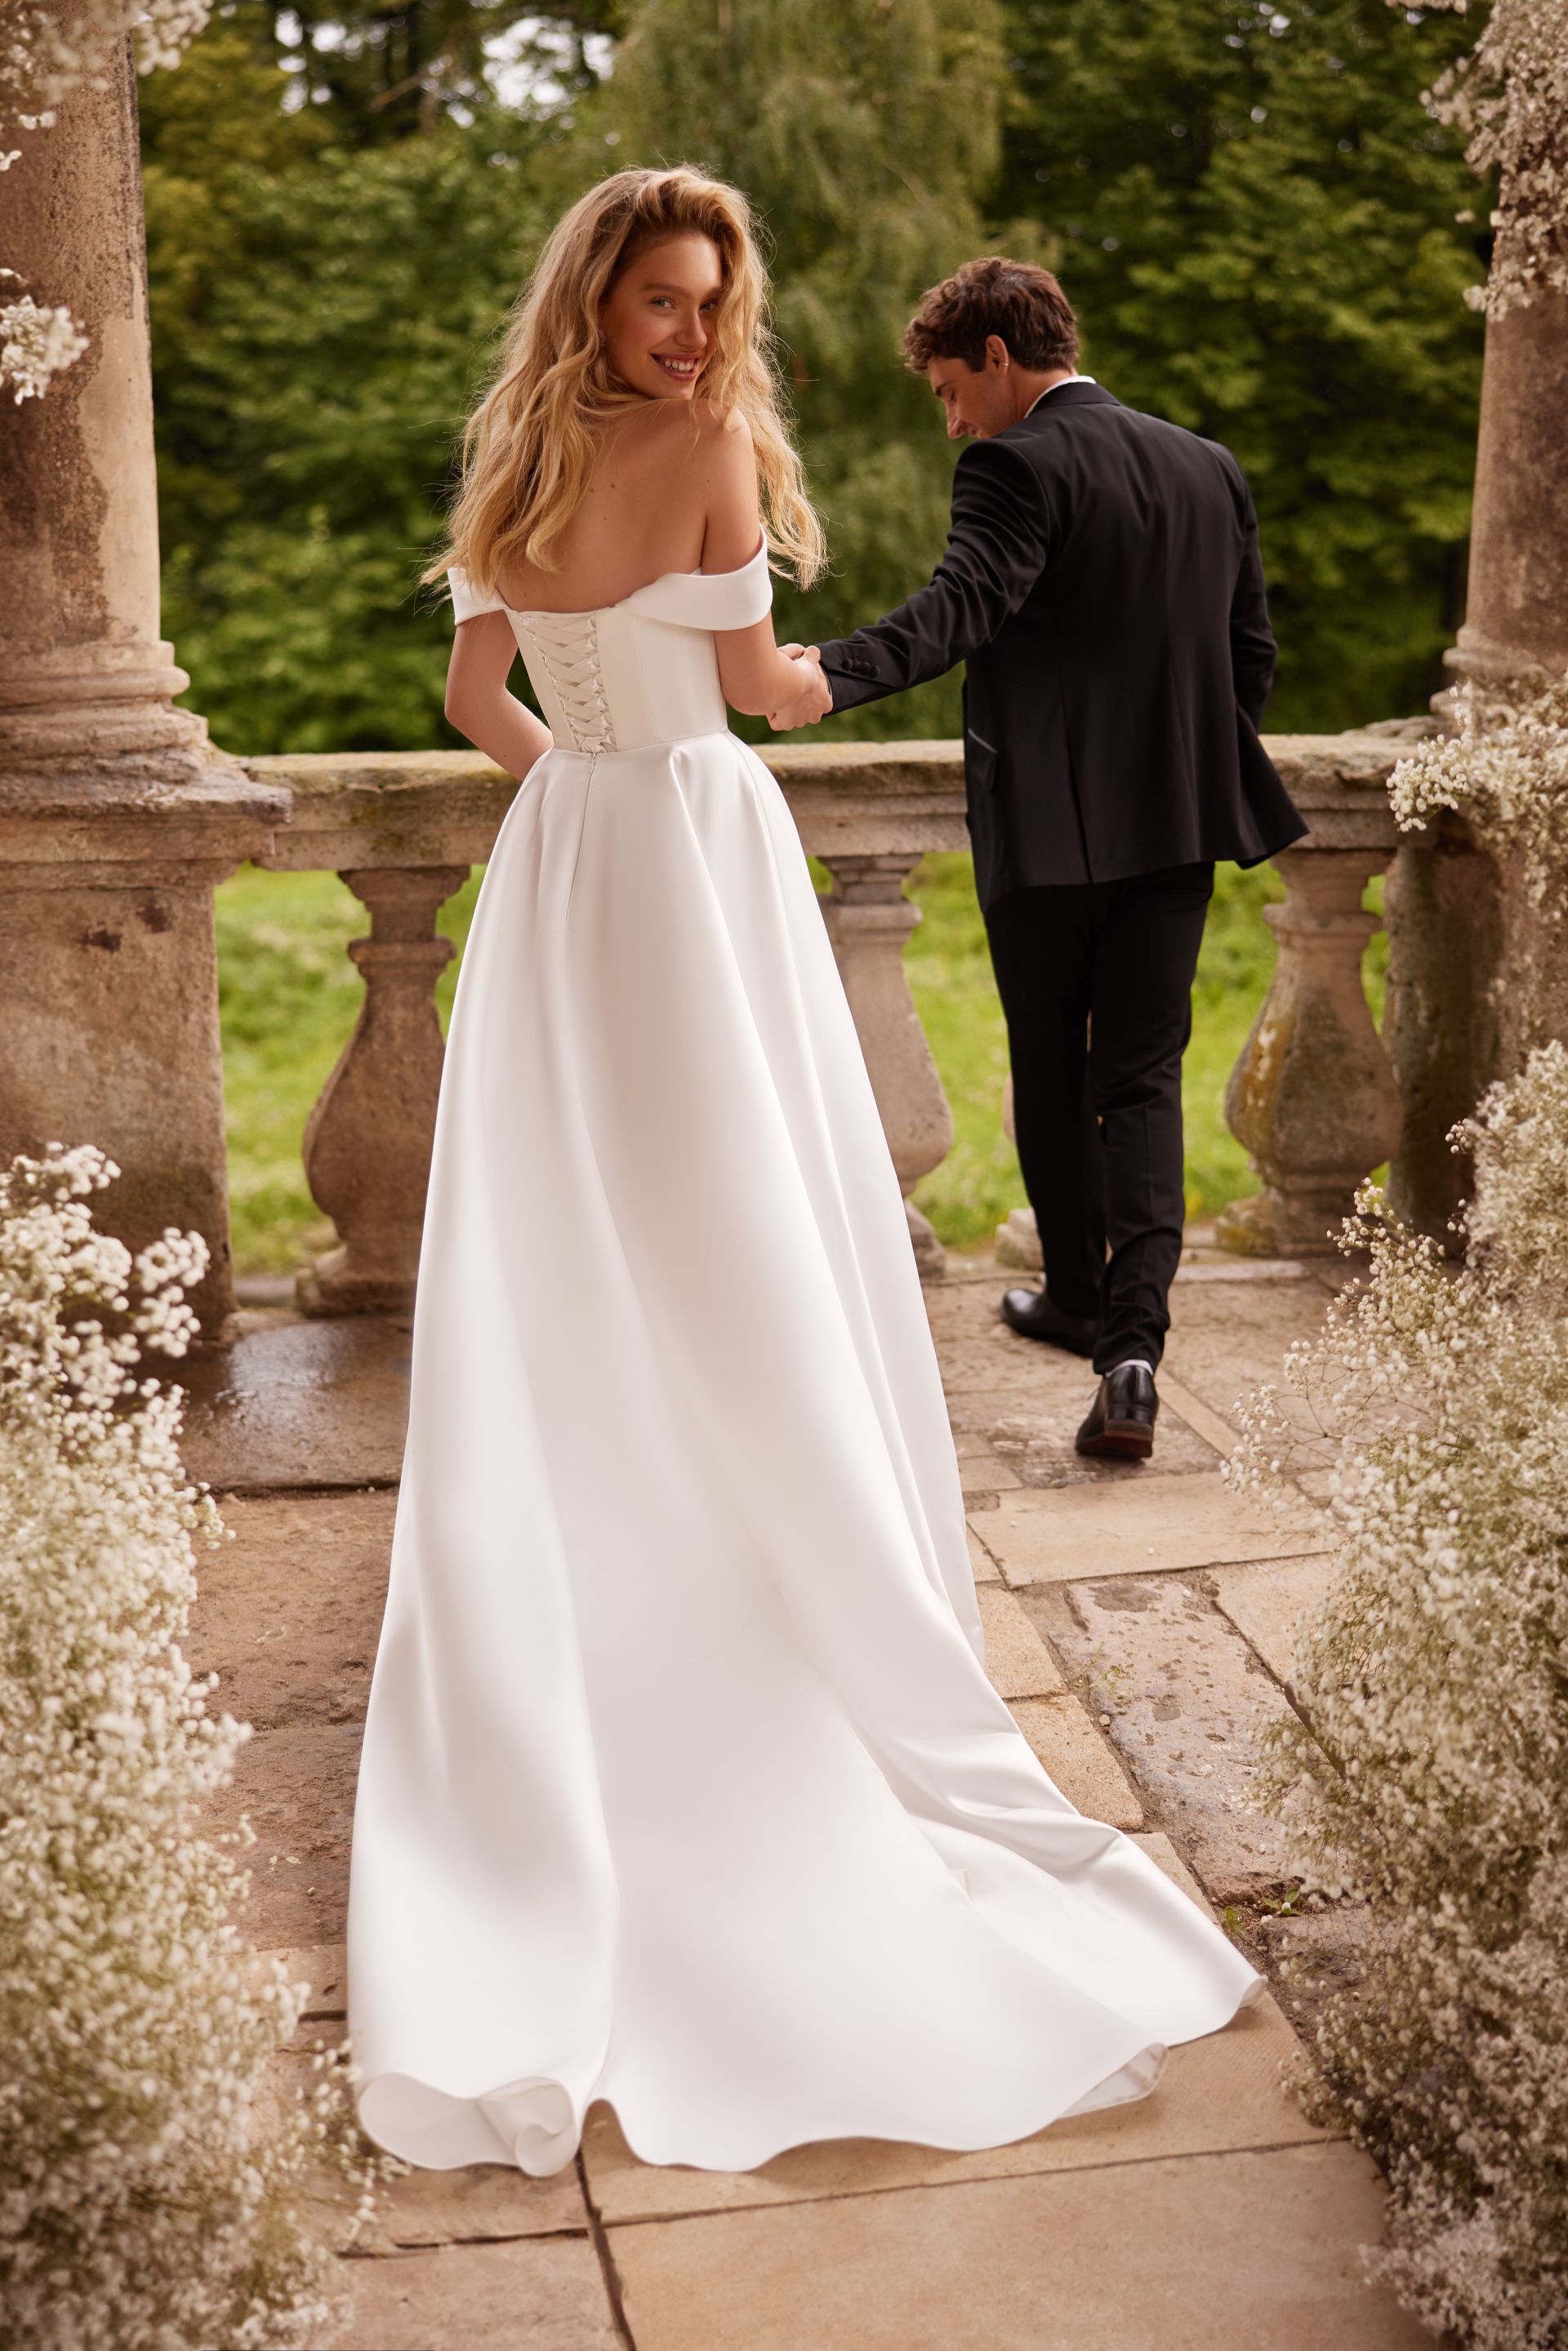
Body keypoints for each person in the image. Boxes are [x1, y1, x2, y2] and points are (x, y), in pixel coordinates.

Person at [346, 170, 1257, 2182]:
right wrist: (686, 753)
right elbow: (764, 693)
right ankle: (750, 1542)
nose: (690, 334)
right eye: (667, 300)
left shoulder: (514, 451)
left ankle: (633, 1532)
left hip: (572, 863)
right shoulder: (708, 449)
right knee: (732, 1225)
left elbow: (472, 696)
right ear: (602, 297)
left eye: (708, 303)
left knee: (589, 1231)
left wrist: (577, 788)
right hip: (687, 851)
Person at [774, 258, 1307, 1463]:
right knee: (1141, 1081)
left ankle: (1079, 1295)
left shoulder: (1012, 464)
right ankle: (1129, 1348)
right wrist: (1178, 763)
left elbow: (965, 605)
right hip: (1176, 831)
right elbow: (1250, 657)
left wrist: (831, 673)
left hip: (1051, 835)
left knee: (1056, 1073)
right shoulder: (1208, 466)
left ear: (1003, 360)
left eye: (955, 391)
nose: (954, 419)